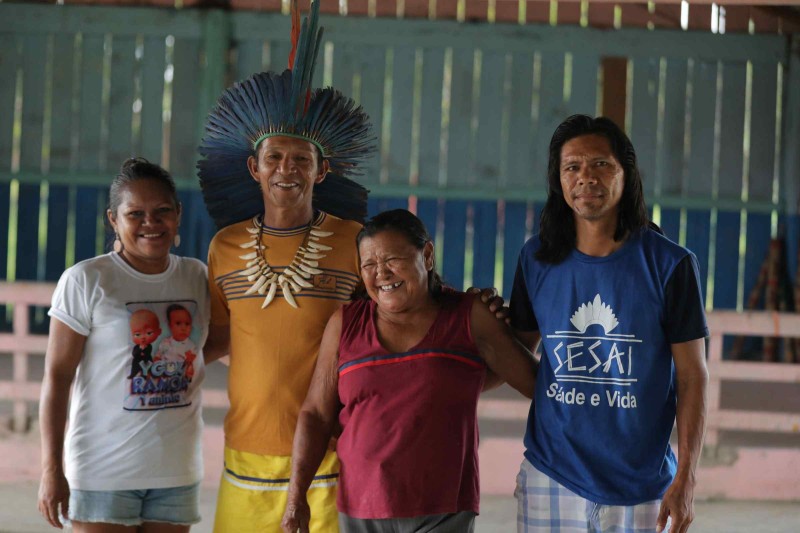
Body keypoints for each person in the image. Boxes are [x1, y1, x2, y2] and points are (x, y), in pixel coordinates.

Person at [196, 2, 375, 531]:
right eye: (274, 157)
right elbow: (221, 338)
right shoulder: (225, 246)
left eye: (302, 159)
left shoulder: (354, 242)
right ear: (254, 167)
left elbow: (379, 331)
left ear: (323, 171)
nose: (286, 169)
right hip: (245, 453)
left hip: (331, 454)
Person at [509, 115, 709, 533]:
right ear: (558, 180)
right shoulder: (536, 259)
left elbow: (692, 375)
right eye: (572, 167)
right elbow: (513, 352)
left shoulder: (670, 265)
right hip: (551, 474)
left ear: (626, 174)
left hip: (642, 485)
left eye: (601, 164)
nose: (586, 177)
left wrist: (686, 477)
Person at [280, 209, 538, 533]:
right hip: (359, 508)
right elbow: (316, 414)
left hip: (442, 509)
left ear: (427, 255)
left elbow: (533, 382)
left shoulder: (468, 316)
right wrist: (295, 498)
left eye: (392, 260)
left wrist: (535, 313)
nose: (381, 274)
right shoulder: (345, 324)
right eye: (369, 265)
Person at [37, 158, 209, 531]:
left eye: (162, 211)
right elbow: (57, 377)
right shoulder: (87, 280)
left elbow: (207, 350)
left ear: (178, 214)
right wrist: (52, 469)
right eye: (136, 213)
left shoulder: (197, 277)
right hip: (102, 473)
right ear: (114, 219)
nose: (151, 222)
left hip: (176, 474)